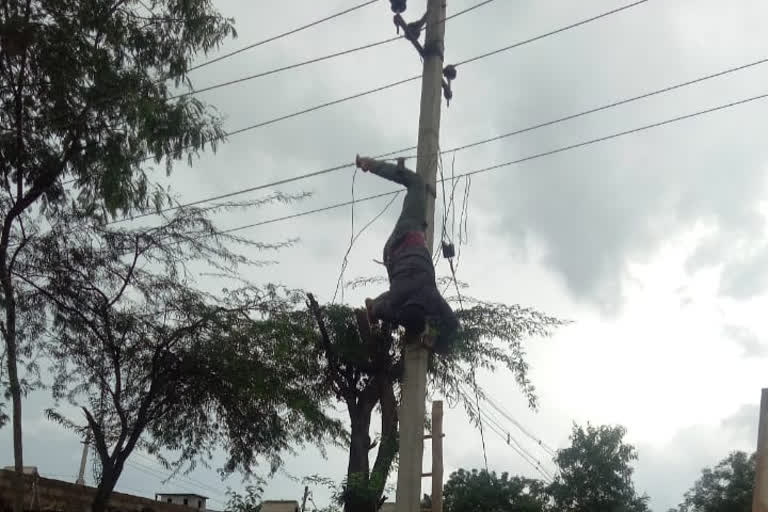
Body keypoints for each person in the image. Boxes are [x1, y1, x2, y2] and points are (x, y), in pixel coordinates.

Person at [355, 154, 459, 354]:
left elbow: (454, 324)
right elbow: (377, 309)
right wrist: (434, 343)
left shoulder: (432, 298)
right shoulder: (397, 303)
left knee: (416, 183)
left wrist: (435, 342)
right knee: (388, 297)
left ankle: (370, 164)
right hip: (395, 255)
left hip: (407, 237)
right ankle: (372, 164)